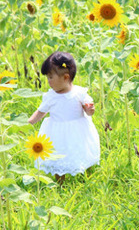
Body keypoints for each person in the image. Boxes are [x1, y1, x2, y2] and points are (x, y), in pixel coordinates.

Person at [28, 51, 100, 184]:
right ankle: (60, 181)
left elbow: (88, 111)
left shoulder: (79, 93)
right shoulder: (51, 96)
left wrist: (90, 110)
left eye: (50, 77)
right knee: (57, 156)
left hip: (79, 131)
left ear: (66, 77)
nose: (48, 82)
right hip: (57, 132)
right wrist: (29, 123)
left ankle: (87, 175)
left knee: (82, 150)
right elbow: (41, 111)